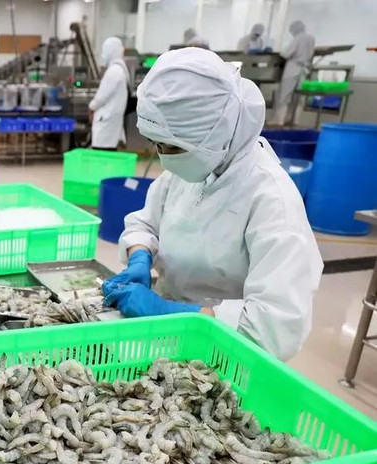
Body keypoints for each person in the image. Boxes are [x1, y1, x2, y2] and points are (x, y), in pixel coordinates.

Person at [102, 48, 322, 361]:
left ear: (214, 132)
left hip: (228, 355)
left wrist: (173, 312)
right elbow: (145, 222)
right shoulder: (194, 165)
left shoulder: (271, 199)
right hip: (165, 340)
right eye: (157, 144)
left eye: (171, 146)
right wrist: (140, 258)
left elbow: (276, 327)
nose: (163, 155)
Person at [88, 37, 129, 150]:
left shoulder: (114, 71)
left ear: (111, 51)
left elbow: (102, 96)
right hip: (110, 119)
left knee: (102, 154)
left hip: (106, 120)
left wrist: (91, 107)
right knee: (108, 152)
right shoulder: (121, 69)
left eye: (105, 50)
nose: (103, 54)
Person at [273, 20, 315, 126]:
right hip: (304, 69)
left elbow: (286, 54)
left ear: (295, 29)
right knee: (299, 98)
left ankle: (280, 120)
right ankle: (295, 120)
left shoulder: (297, 39)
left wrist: (281, 50)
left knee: (285, 95)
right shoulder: (311, 38)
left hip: (293, 67)